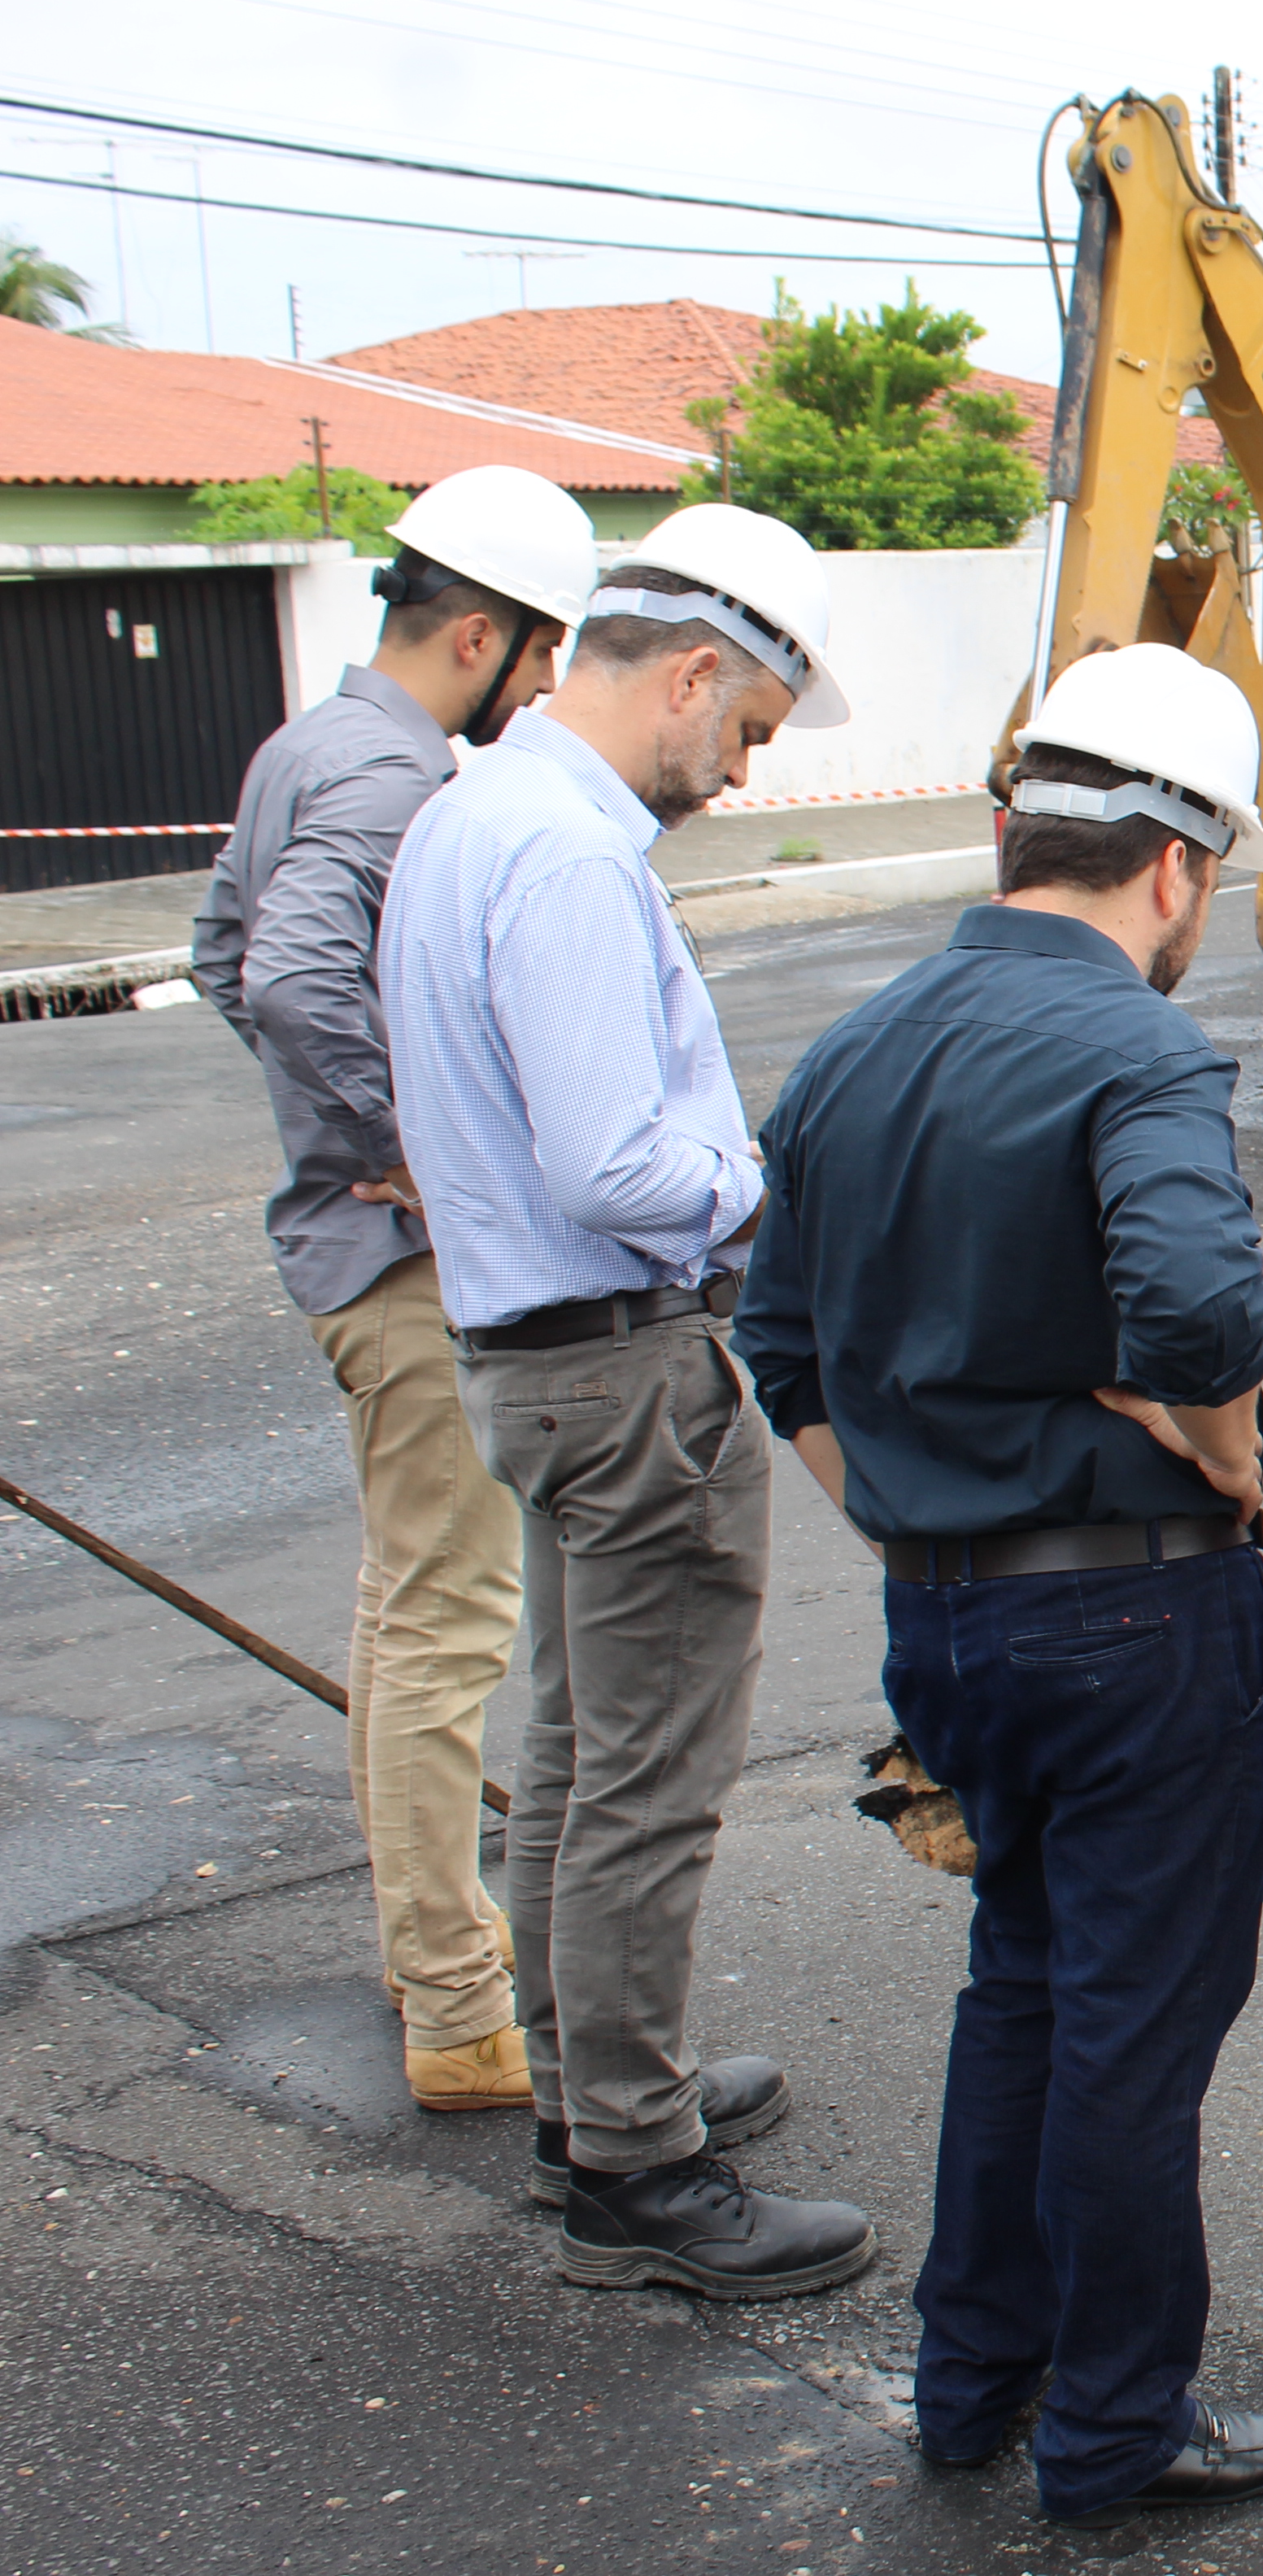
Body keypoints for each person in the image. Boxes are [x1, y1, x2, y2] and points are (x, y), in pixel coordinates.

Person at [736, 643, 1263, 2530]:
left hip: (950, 1617)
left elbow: (778, 1346)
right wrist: (1217, 1446)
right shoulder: (1137, 1046)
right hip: (1135, 1619)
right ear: (1166, 865)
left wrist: (923, 1516)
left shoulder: (855, 1043)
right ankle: (1114, 2426)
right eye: (1213, 886)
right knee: (1132, 2028)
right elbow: (1202, 1307)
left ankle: (970, 2379)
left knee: (1024, 1983)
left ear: (1016, 825)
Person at [377, 501, 873, 2300]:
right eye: (741, 733)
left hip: (531, 1362)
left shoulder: (466, 820)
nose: (737, 773)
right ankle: (638, 2175)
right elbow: (613, 1163)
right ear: (687, 675)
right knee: (649, 1779)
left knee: (581, 1755)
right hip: (621, 1358)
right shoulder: (570, 859)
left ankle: (590, 2096)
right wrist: (770, 1188)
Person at [189, 464, 594, 2115]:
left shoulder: (306, 745)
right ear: (483, 634)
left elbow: (223, 955)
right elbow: (281, 976)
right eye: (545, 654)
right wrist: (401, 1139)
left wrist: (335, 1121)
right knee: (450, 1627)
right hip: (403, 1272)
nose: (553, 689)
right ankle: (456, 2007)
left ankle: (425, 1942)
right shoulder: (392, 775)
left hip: (345, 1255)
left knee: (400, 1614)